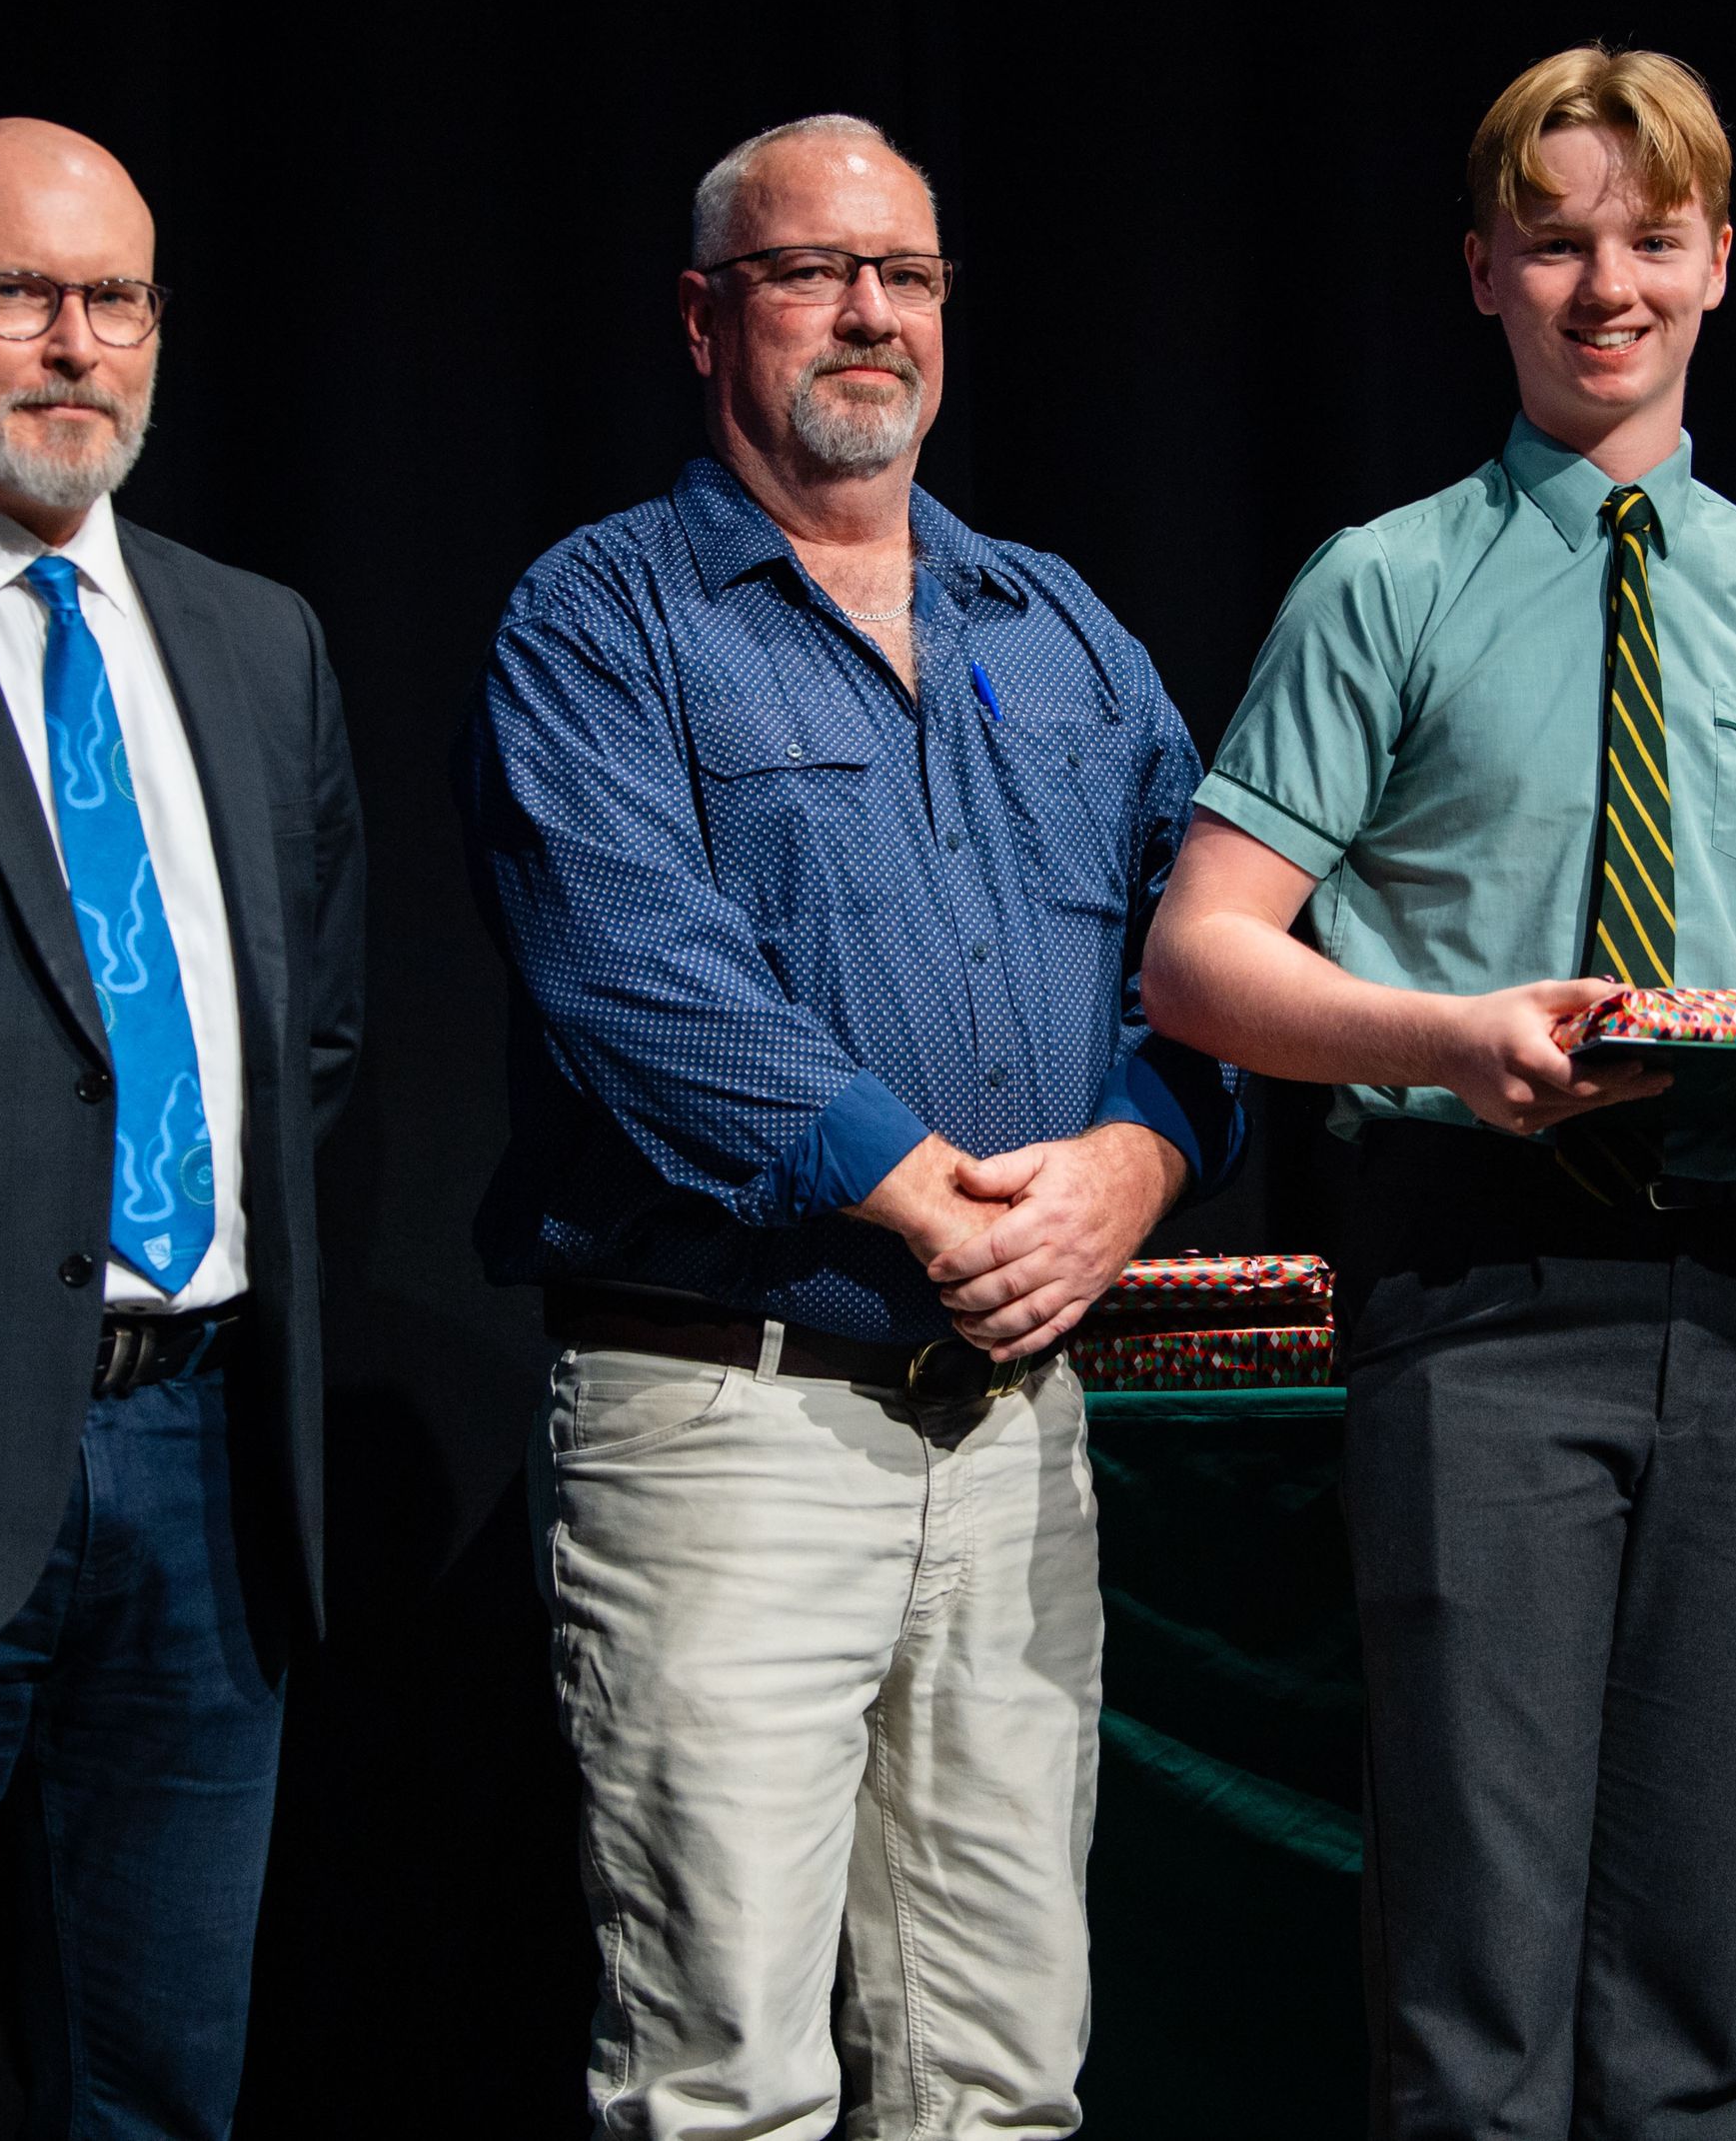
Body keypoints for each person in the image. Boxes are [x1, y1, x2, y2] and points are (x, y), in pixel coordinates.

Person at [1141, 44, 1736, 2139]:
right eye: (1554, 242)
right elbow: (1202, 953)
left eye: (1649, 240)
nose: (1605, 284)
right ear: (1480, 274)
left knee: (1693, 1976)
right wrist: (1449, 1034)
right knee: (1481, 1979)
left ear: (1718, 265)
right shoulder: (1388, 579)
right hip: (1481, 1293)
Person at [456, 111, 1240, 2135]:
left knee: (1002, 2077)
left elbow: (1212, 958)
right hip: (730, 1421)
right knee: (726, 2076)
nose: (869, 311)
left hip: (1016, 1436)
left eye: (907, 274)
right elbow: (635, 972)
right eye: (812, 271)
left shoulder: (1060, 628)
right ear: (704, 316)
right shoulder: (600, 617)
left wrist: (1134, 1165)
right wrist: (933, 1203)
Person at [0, 120, 366, 2139]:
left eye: (115, 298)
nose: (73, 344)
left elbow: (313, 1039)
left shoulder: (257, 638)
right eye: (18, 294)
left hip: (203, 1468)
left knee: (161, 2084)